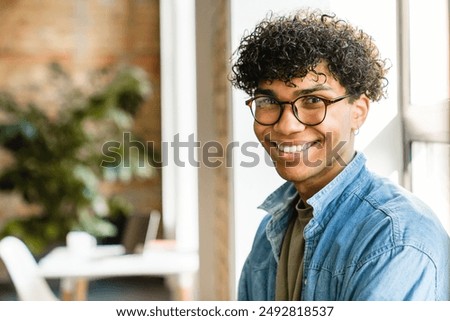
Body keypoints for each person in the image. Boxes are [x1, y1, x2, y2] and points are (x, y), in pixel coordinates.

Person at [230, 9, 450, 300]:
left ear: (358, 112)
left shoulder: (395, 239)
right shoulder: (271, 228)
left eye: (312, 100)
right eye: (268, 100)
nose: (286, 124)